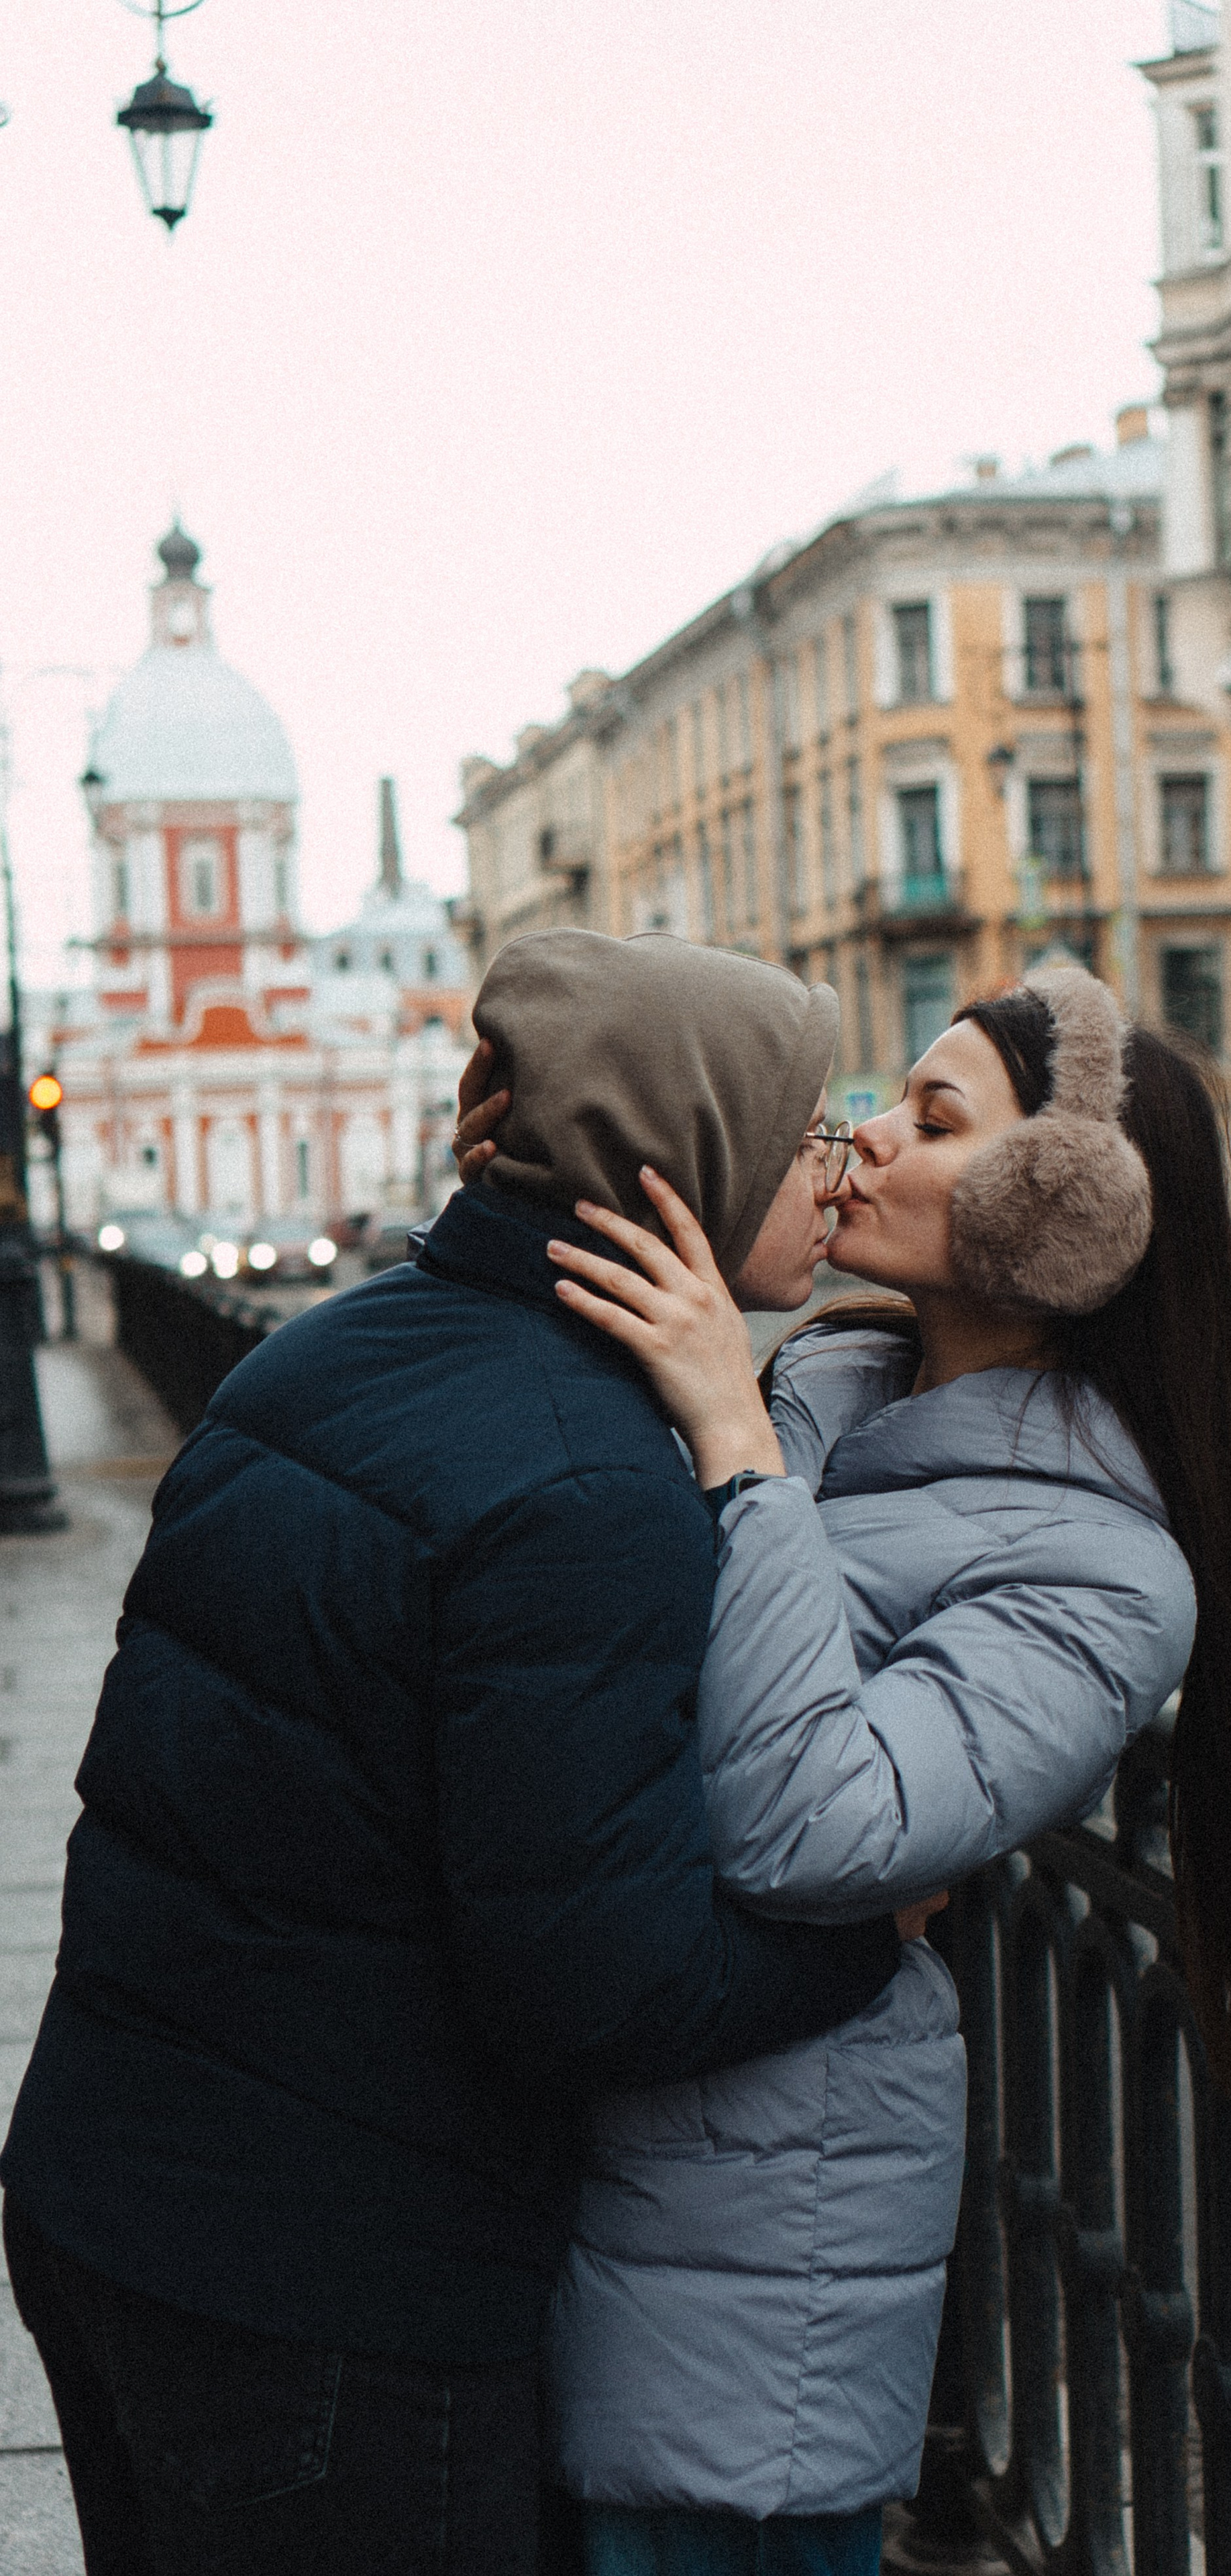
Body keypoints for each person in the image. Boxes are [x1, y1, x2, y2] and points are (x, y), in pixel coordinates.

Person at [0, 930, 906, 2576]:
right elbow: (596, 1983)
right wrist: (873, 1932)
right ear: (682, 1166)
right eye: (808, 1135)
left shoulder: (329, 1347)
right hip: (326, 2284)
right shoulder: (582, 1473)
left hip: (109, 2185)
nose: (840, 1175)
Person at [458, 964, 1231, 2576]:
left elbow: (818, 1826)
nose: (859, 1140)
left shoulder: (1101, 1566)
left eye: (930, 1117)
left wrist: (734, 1453)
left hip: (744, 2248)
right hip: (588, 2139)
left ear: (1060, 1207)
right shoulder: (821, 1385)